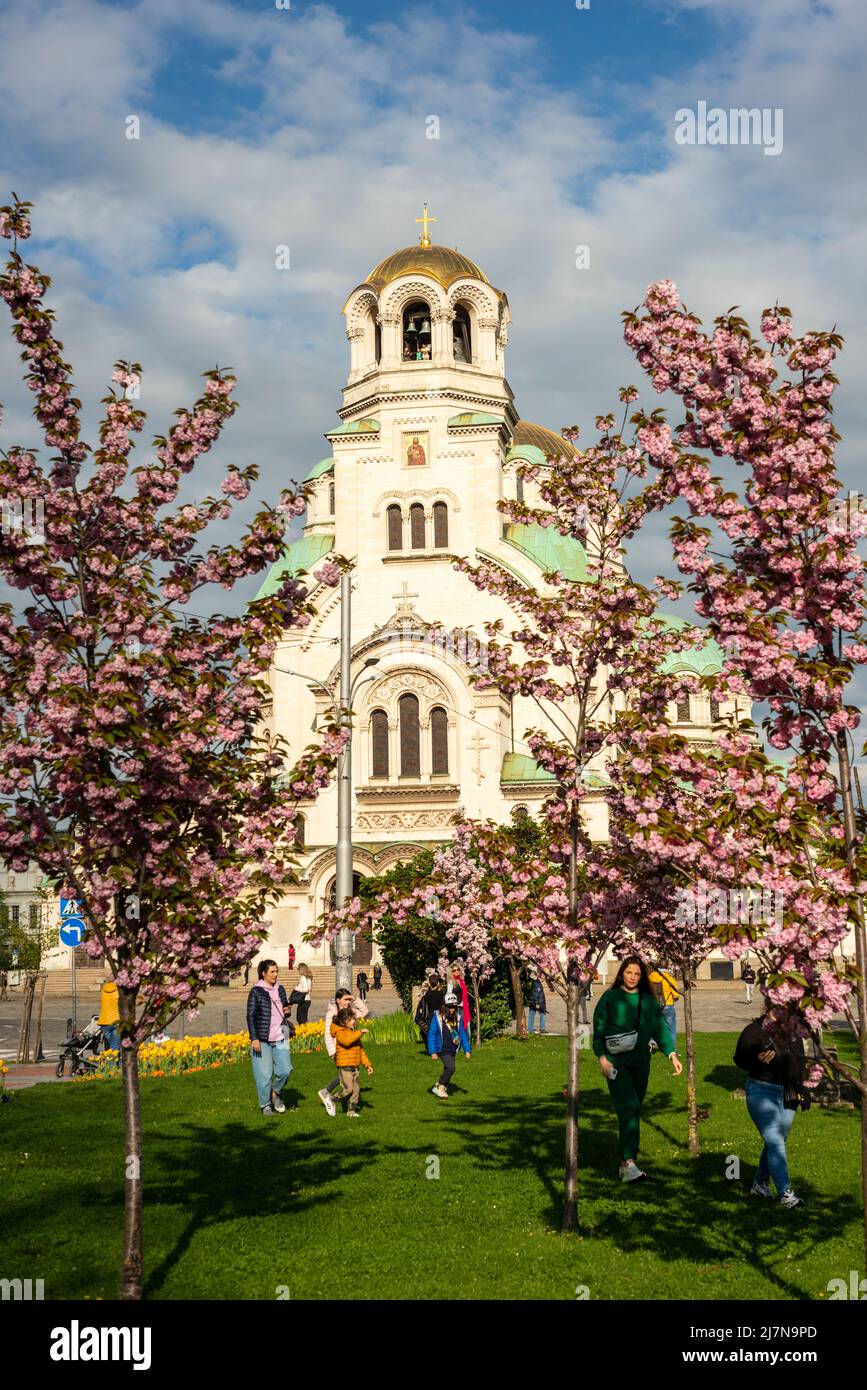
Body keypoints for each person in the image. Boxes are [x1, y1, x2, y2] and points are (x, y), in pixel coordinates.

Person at [593, 956, 682, 1182]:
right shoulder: (610, 998)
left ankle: (625, 1164)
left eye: (636, 974)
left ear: (642, 977)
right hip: (617, 1063)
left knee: (633, 1110)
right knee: (629, 1106)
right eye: (628, 972)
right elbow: (599, 1031)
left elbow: (660, 1029)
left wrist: (671, 1053)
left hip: (641, 1063)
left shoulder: (648, 1001)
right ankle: (629, 1161)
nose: (632, 977)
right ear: (621, 973)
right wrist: (603, 1059)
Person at [734, 1003, 807, 1208]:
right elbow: (740, 1059)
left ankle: (759, 1183)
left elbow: (800, 1061)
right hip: (761, 1091)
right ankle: (786, 1194)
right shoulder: (753, 1031)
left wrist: (801, 1087)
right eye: (777, 1006)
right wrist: (757, 1059)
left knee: (776, 1141)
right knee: (775, 1141)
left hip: (787, 1092)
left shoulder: (792, 1031)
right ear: (767, 1005)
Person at [246, 959, 294, 1116]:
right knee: (264, 1074)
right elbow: (251, 1015)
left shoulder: (280, 988)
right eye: (272, 971)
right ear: (263, 973)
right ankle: (265, 1105)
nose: (275, 974)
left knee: (286, 1070)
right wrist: (254, 1038)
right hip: (262, 1038)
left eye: (276, 971)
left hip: (281, 1035)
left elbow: (284, 1009)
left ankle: (275, 1092)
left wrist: (287, 1010)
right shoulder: (256, 991)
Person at [319, 987, 370, 1116]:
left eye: (349, 999)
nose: (347, 1001)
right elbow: (328, 1035)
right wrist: (332, 1052)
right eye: (345, 999)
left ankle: (330, 1095)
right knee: (345, 1077)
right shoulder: (332, 1014)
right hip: (339, 1050)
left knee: (347, 1077)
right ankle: (330, 1096)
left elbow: (364, 1011)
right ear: (338, 1000)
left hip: (352, 1050)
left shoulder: (350, 1011)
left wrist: (355, 999)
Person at [330, 1007, 373, 1117]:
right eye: (350, 1019)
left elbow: (360, 1050)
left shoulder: (353, 1032)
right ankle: (332, 1099)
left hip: (355, 1067)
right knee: (348, 1089)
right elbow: (347, 1041)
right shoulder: (340, 1032)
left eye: (353, 1018)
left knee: (356, 1091)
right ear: (343, 1022)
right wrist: (360, 1032)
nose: (353, 1021)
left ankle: (351, 1111)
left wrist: (367, 1065)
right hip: (345, 1067)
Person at [428, 992, 471, 1098]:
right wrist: (433, 1052)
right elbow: (432, 1035)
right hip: (442, 1049)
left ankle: (440, 1087)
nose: (452, 1010)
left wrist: (467, 1049)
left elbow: (462, 1034)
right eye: (450, 1007)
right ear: (444, 1006)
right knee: (451, 1068)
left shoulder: (458, 1018)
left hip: (453, 1049)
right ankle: (439, 1086)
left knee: (448, 1070)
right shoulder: (437, 1018)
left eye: (454, 1007)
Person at [648, 964, 680, 1048]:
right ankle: (672, 1048)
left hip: (653, 1005)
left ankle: (651, 1041)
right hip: (668, 1005)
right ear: (667, 968)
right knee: (671, 1028)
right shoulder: (669, 978)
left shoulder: (650, 977)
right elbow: (676, 995)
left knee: (652, 1025)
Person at [97, 970, 121, 1057]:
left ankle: (112, 1066)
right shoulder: (119, 990)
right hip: (116, 1021)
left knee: (110, 1047)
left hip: (105, 1022)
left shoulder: (103, 989)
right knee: (115, 1048)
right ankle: (113, 1069)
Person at [450, 964, 471, 1033]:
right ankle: (460, 1042)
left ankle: (467, 1042)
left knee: (467, 1024)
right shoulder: (451, 983)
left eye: (458, 969)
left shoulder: (461, 981)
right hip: (457, 1007)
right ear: (452, 972)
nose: (456, 971)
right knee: (459, 1025)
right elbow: (449, 995)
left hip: (464, 1006)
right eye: (454, 970)